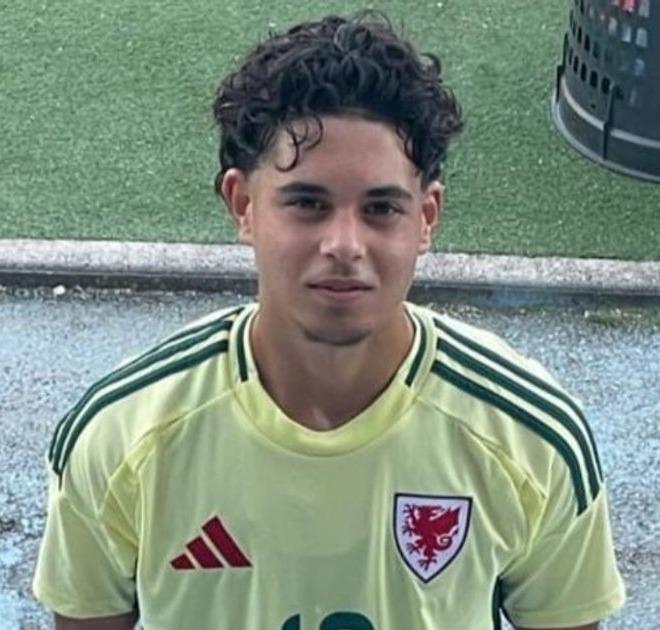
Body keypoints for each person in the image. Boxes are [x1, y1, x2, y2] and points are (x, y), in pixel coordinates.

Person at [33, 11, 625, 630]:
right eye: (308, 204)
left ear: (426, 218)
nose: (345, 244)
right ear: (243, 205)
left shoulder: (531, 437)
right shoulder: (120, 435)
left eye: (381, 209)